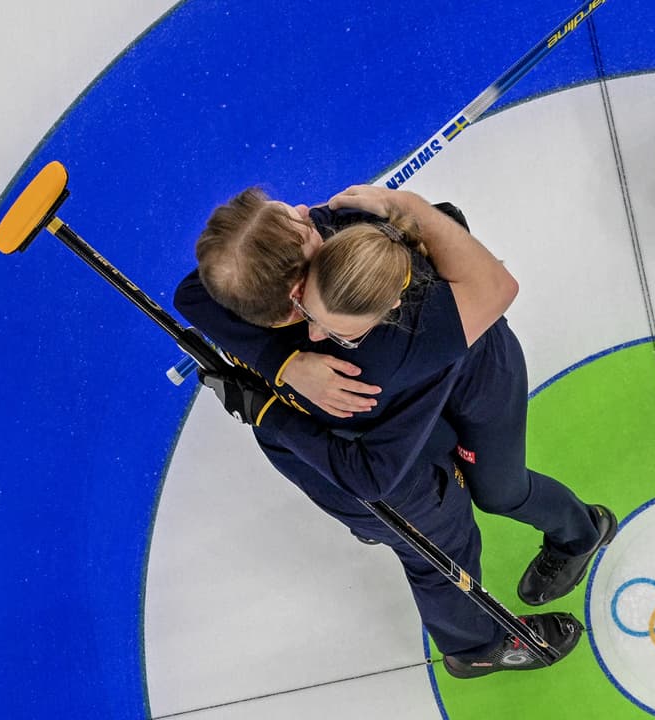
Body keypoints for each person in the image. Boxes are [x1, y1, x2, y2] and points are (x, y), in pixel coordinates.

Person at [175, 185, 614, 678]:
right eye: (301, 225)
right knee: (442, 527)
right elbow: (194, 293)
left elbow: (493, 286)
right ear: (296, 300)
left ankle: (581, 533)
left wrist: (269, 395)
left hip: (472, 377)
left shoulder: (385, 328)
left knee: (501, 491)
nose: (308, 211)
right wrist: (285, 362)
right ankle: (482, 633)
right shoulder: (294, 272)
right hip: (414, 407)